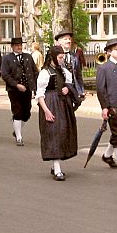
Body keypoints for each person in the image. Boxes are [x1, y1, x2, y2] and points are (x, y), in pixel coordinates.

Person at [36, 46, 78, 181]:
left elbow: (69, 85)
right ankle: (57, 169)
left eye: (62, 57)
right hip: (51, 103)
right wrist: (46, 111)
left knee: (63, 132)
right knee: (54, 134)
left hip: (63, 104)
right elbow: (40, 95)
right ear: (53, 57)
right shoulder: (45, 73)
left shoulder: (65, 71)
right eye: (59, 57)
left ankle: (55, 166)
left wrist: (67, 88)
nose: (62, 60)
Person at [96, 38, 117, 172]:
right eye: (116, 49)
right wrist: (105, 107)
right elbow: (101, 89)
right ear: (109, 52)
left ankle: (107, 155)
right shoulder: (103, 67)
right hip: (113, 105)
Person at [1, 37, 39, 146]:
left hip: (27, 88)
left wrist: (36, 87)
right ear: (12, 46)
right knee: (17, 111)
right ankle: (19, 137)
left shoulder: (28, 57)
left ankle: (16, 129)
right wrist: (16, 85)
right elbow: (5, 74)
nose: (19, 46)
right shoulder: (7, 58)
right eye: (16, 45)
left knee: (26, 113)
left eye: (20, 45)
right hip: (14, 89)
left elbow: (34, 71)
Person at [55, 31, 85, 101]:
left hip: (72, 91)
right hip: (59, 93)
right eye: (65, 39)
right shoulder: (54, 56)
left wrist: (81, 91)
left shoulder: (74, 57)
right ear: (59, 41)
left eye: (69, 39)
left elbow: (78, 76)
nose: (68, 41)